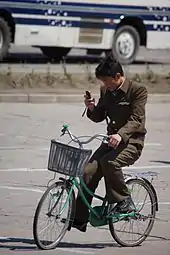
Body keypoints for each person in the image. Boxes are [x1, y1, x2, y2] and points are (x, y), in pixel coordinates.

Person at [69, 52, 148, 232]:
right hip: (110, 141)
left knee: (109, 162)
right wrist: (91, 108)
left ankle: (124, 201)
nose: (104, 85)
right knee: (87, 171)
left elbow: (136, 119)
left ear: (118, 77)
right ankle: (79, 218)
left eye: (106, 81)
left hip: (131, 142)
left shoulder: (138, 91)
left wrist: (120, 135)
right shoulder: (107, 91)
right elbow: (100, 116)